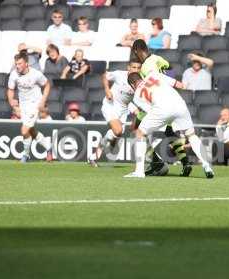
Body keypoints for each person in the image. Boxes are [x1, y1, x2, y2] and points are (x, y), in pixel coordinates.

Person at [125, 71, 214, 179]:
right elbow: (174, 83)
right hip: (180, 104)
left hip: (162, 109)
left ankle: (139, 172)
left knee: (140, 133)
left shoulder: (136, 97)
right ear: (141, 77)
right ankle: (206, 165)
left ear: (132, 84)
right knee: (191, 135)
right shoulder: (153, 75)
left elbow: (150, 110)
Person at [131, 39, 194, 177]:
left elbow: (150, 85)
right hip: (168, 98)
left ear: (136, 50)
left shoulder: (145, 68)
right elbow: (169, 67)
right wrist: (169, 83)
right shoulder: (156, 58)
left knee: (138, 130)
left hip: (158, 102)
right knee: (169, 131)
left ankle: (155, 164)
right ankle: (185, 162)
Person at [88, 59, 142, 167]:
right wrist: (107, 90)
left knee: (117, 133)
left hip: (124, 110)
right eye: (134, 67)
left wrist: (134, 109)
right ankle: (97, 153)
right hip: (110, 106)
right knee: (118, 131)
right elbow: (104, 76)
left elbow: (129, 99)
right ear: (128, 68)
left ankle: (93, 156)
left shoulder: (140, 81)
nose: (136, 70)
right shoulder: (119, 75)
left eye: (138, 68)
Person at [7, 52, 53, 163]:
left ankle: (25, 155)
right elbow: (10, 89)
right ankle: (48, 147)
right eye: (16, 63)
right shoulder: (14, 74)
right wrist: (12, 103)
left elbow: (47, 85)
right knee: (31, 131)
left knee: (24, 130)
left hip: (35, 104)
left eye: (19, 63)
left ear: (26, 64)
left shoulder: (36, 74)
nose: (17, 66)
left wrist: (43, 101)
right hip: (23, 105)